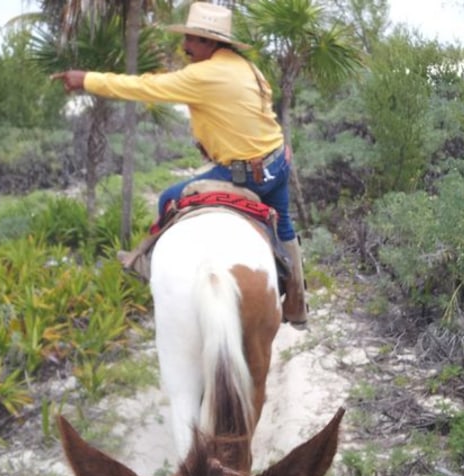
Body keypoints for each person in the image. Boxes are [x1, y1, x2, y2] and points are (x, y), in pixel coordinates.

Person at [50, 2, 307, 326]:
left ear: (212, 43)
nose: (185, 46)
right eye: (187, 37)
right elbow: (258, 109)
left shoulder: (201, 75)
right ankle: (297, 302)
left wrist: (86, 80)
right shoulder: (247, 67)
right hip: (277, 163)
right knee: (283, 226)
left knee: (168, 197)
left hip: (243, 175)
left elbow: (143, 87)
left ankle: (145, 267)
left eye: (194, 40)